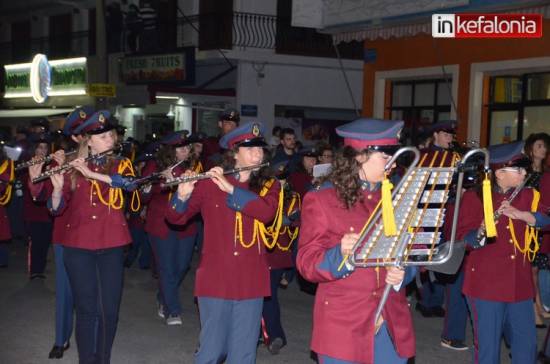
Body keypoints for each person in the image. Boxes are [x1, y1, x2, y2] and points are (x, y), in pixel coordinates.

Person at [297, 118, 416, 364]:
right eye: (386, 157)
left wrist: (403, 274)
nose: (392, 164)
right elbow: (307, 263)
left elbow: (411, 251)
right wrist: (340, 254)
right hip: (344, 324)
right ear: (360, 156)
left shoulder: (396, 196)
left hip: (390, 319)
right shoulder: (322, 199)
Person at [166, 122, 281, 364]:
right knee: (212, 350)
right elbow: (176, 218)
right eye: (250, 148)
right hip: (216, 279)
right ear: (234, 152)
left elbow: (267, 213)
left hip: (251, 280)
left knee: (243, 353)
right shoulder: (209, 184)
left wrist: (230, 189)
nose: (257, 153)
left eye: (260, 148)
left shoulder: (270, 186)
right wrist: (182, 195)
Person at [48, 110, 138, 364]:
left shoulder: (121, 163)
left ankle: (103, 359)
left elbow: (129, 184)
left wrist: (93, 174)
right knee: (87, 310)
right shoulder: (72, 167)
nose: (111, 139)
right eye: (104, 135)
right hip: (78, 246)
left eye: (111, 134)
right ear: (89, 140)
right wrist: (56, 191)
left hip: (112, 243)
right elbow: (56, 208)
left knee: (108, 310)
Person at [457, 140, 550, 364]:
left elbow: (546, 220)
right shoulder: (475, 197)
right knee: (488, 350)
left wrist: (524, 216)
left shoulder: (527, 195)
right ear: (499, 174)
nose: (523, 172)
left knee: (526, 347)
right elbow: (463, 239)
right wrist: (479, 232)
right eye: (517, 169)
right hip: (485, 286)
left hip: (519, 284)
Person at [27, 106, 94, 359]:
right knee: (65, 291)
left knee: (93, 292)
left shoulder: (106, 160)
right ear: (75, 137)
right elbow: (43, 194)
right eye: (83, 133)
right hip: (66, 234)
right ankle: (61, 338)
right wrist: (36, 180)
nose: (89, 137)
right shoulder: (61, 160)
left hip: (95, 235)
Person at [141, 131, 197, 325]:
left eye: (187, 147)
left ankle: (163, 294)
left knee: (182, 266)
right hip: (161, 223)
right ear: (170, 151)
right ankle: (172, 309)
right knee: (167, 267)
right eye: (181, 148)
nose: (185, 150)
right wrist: (157, 184)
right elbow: (143, 196)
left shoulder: (192, 167)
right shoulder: (154, 166)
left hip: (186, 224)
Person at [523, 133, 550, 327]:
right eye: (539, 145)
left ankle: (539, 305)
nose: (543, 149)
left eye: (545, 146)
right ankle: (534, 310)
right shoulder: (523, 172)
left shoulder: (546, 173)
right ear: (531, 148)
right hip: (527, 223)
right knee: (531, 269)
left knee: (537, 267)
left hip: (543, 223)